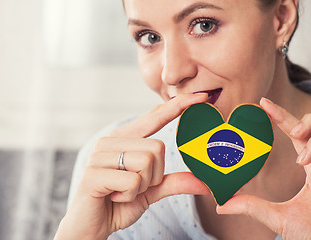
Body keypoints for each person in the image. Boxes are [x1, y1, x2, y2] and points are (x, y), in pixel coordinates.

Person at [54, 0, 311, 239]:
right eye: (150, 37)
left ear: (281, 18)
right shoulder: (115, 167)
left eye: (204, 25)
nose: (172, 73)